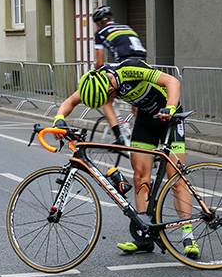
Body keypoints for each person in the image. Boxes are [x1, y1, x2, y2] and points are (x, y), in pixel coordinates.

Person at [51, 59, 198, 257]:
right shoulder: (97, 80)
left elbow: (173, 82)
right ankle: (144, 236)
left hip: (170, 118)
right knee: (139, 176)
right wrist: (59, 119)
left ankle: (188, 236)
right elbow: (69, 102)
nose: (107, 103)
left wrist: (170, 108)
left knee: (175, 177)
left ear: (111, 87)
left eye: (107, 98)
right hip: (146, 121)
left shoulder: (131, 70)